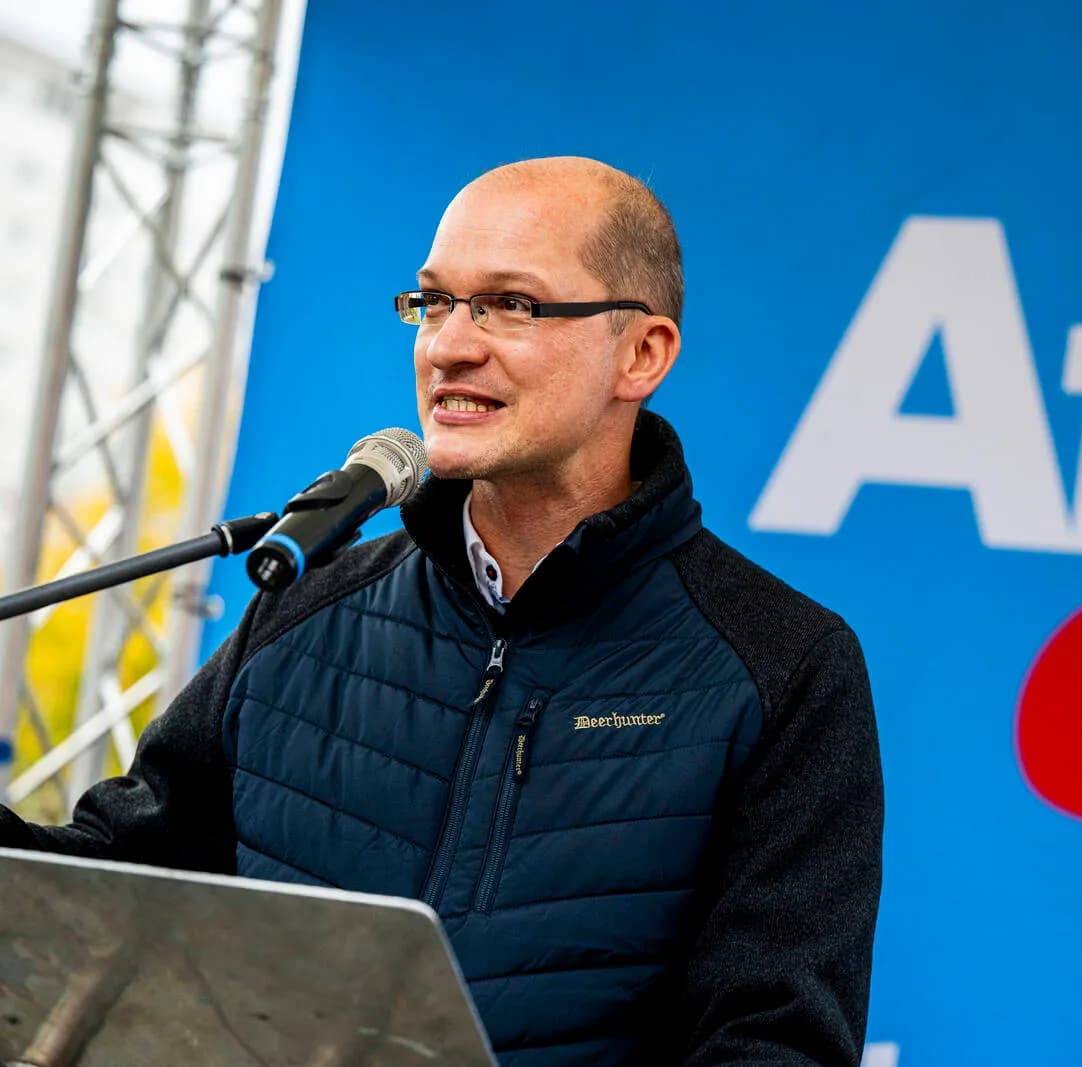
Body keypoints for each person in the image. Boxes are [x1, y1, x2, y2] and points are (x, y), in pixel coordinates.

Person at [0, 157, 884, 1065]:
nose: (448, 346)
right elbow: (96, 898)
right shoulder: (305, 601)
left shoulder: (782, 663)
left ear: (642, 354)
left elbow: (774, 1043)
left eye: (511, 304)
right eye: (434, 302)